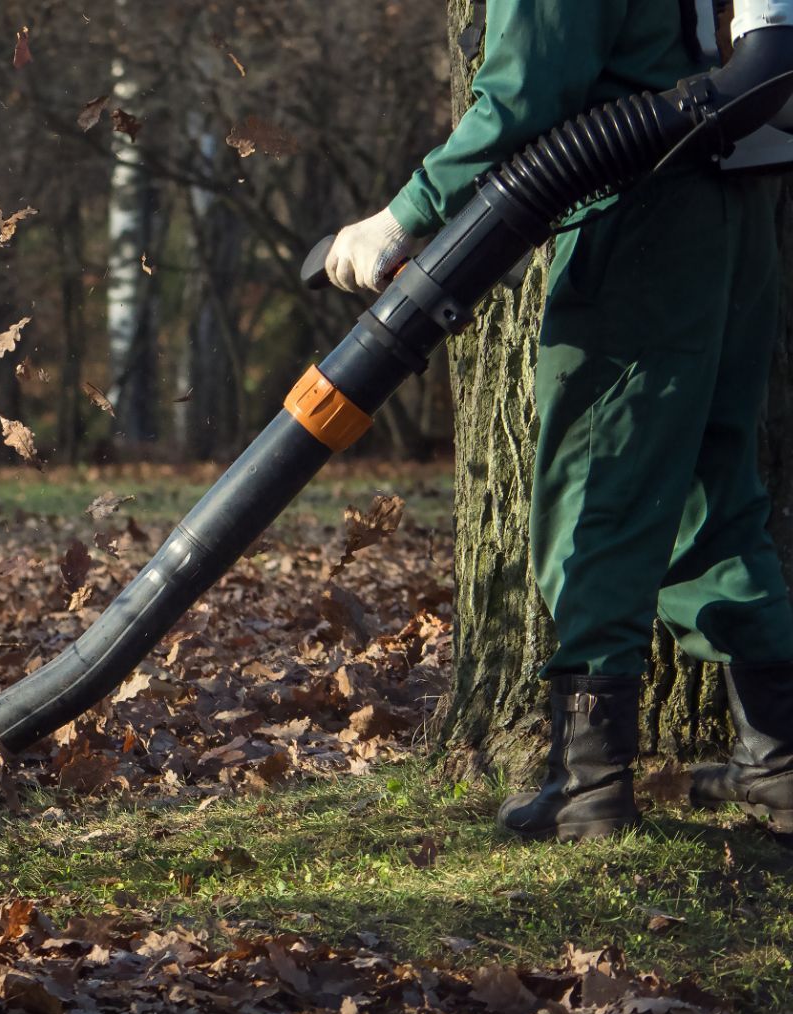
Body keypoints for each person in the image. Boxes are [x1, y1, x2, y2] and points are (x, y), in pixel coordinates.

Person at [325, 0, 793, 841]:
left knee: (596, 491)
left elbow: (523, 96)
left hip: (648, 212)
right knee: (709, 487)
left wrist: (404, 216)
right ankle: (780, 758)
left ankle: (588, 783)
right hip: (741, 201)